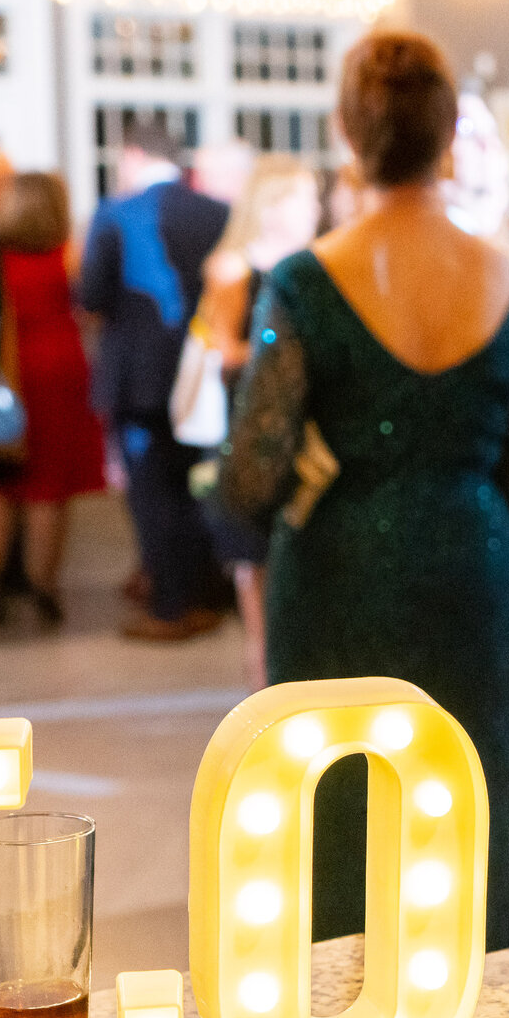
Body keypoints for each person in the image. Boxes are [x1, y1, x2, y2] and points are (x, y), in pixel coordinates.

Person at [222, 30, 509, 953]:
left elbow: (252, 474)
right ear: (452, 136)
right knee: (460, 801)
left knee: (339, 803)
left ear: (348, 135)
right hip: (469, 566)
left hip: (337, 569)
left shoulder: (303, 278)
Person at [80, 122, 229, 644]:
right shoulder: (216, 212)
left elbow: (92, 294)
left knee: (151, 496)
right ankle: (206, 596)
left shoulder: (116, 214)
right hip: (201, 375)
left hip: (138, 380)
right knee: (197, 488)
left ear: (134, 154)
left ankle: (169, 606)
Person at [194, 155, 320, 688]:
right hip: (252, 435)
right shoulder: (235, 267)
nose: (315, 208)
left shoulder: (316, 264)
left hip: (306, 439)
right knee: (259, 592)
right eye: (304, 197)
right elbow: (220, 352)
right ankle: (265, 710)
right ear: (273, 204)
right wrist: (289, 357)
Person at [0, 172, 105, 628]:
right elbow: (89, 310)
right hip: (61, 371)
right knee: (51, 486)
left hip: (10, 371)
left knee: (1, 483)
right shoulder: (67, 254)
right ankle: (43, 585)